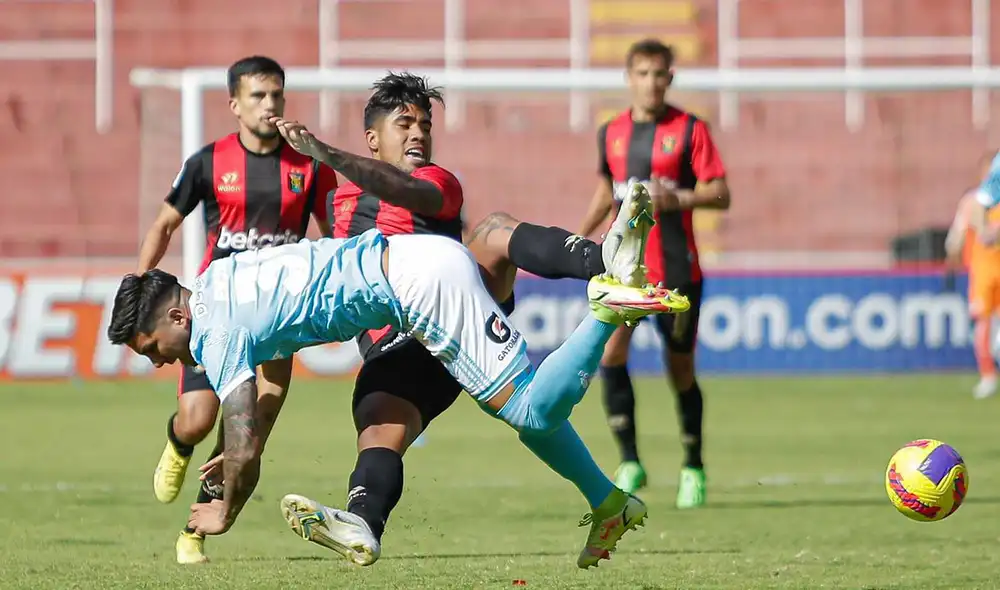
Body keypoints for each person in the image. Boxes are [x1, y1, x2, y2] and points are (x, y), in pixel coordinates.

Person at [190, 73, 645, 568]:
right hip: (398, 345)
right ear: (373, 139)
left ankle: (604, 264)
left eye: (425, 125)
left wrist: (329, 155)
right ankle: (364, 522)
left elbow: (411, 195)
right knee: (384, 423)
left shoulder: (435, 181)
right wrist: (246, 448)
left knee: (493, 232)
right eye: (404, 124)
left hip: (453, 305)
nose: (419, 135)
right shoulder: (335, 206)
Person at [106, 224, 690, 568]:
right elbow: (270, 383)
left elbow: (244, 439)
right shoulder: (221, 280)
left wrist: (226, 506)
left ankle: (605, 310)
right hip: (416, 267)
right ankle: (610, 504)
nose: (157, 360)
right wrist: (239, 456)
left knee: (531, 408)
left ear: (177, 314)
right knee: (517, 413)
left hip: (420, 288)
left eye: (151, 346)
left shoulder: (214, 329)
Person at [136, 55, 336, 563]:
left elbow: (338, 235)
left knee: (249, 430)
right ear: (234, 105)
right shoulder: (208, 162)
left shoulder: (308, 165)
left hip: (277, 319)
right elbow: (163, 225)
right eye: (258, 96)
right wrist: (139, 286)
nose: (270, 105)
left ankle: (192, 533)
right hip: (215, 314)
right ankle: (180, 444)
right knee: (199, 419)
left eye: (277, 96)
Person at [577, 39, 731, 508]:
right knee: (610, 358)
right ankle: (630, 460)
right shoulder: (611, 133)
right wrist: (580, 238)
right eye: (642, 73)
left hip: (677, 271)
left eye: (659, 74)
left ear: (670, 78)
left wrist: (679, 198)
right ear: (629, 77)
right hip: (625, 275)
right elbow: (607, 191)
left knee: (680, 370)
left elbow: (720, 192)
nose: (651, 83)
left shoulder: (689, 130)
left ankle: (693, 467)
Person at [947, 149, 1000, 398]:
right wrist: (953, 253)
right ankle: (988, 376)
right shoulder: (973, 201)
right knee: (983, 324)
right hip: (983, 272)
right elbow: (958, 235)